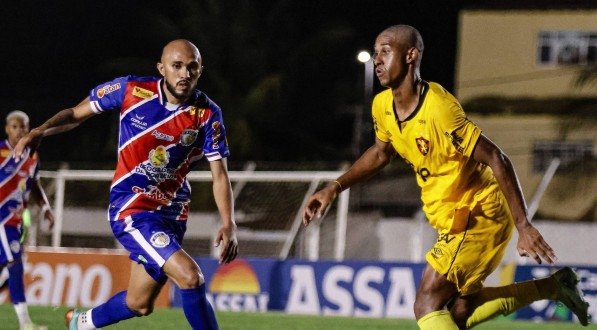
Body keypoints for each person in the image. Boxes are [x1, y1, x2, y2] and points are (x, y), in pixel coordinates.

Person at [303, 25, 589, 329]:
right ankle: (555, 287)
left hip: (479, 213)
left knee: (426, 303)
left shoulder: (439, 109)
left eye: (385, 51)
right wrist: (334, 187)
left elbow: (496, 157)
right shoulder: (382, 106)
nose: (377, 60)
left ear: (410, 55)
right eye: (375, 53)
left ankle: (554, 286)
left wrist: (524, 225)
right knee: (459, 312)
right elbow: (380, 153)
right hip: (451, 218)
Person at [14, 39, 238, 330]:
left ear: (200, 71)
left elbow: (219, 174)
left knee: (139, 303)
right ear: (162, 68)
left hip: (173, 213)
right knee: (190, 276)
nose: (185, 73)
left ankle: (81, 323)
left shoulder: (207, 114)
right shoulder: (131, 90)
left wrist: (228, 222)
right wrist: (40, 131)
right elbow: (76, 114)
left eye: (192, 67)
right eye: (177, 66)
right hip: (132, 209)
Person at [1, 110, 55, 330]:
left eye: (23, 126)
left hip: (15, 221)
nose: (19, 131)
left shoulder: (32, 156)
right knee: (15, 264)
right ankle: (25, 323)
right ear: (7, 128)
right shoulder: (1, 151)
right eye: (15, 126)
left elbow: (33, 185)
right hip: (1, 219)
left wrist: (45, 208)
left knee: (8, 265)